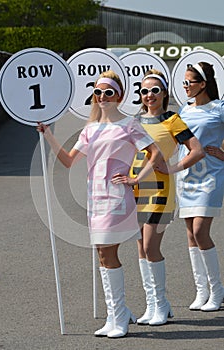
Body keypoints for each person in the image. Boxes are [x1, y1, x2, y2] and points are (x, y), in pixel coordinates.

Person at [37, 70, 163, 338]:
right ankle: (117, 314)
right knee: (102, 255)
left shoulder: (129, 125)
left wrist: (135, 177)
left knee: (108, 253)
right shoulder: (90, 129)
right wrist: (48, 135)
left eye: (108, 92)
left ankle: (119, 317)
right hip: (94, 198)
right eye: (98, 92)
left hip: (117, 197)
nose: (102, 97)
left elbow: (155, 153)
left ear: (119, 96)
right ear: (93, 96)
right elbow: (69, 161)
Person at [126, 69, 204, 326]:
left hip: (160, 189)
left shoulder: (173, 120)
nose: (149, 95)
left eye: (155, 90)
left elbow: (197, 151)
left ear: (164, 94)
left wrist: (172, 168)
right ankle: (154, 305)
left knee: (151, 246)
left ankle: (160, 303)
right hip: (135, 190)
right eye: (145, 91)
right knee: (140, 247)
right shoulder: (134, 121)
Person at [176, 62, 224, 311]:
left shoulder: (219, 108)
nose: (185, 86)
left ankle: (217, 292)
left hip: (211, 177)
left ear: (203, 84)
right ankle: (201, 290)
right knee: (190, 235)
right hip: (186, 177)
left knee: (200, 232)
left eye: (189, 82)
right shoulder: (184, 110)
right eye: (184, 82)